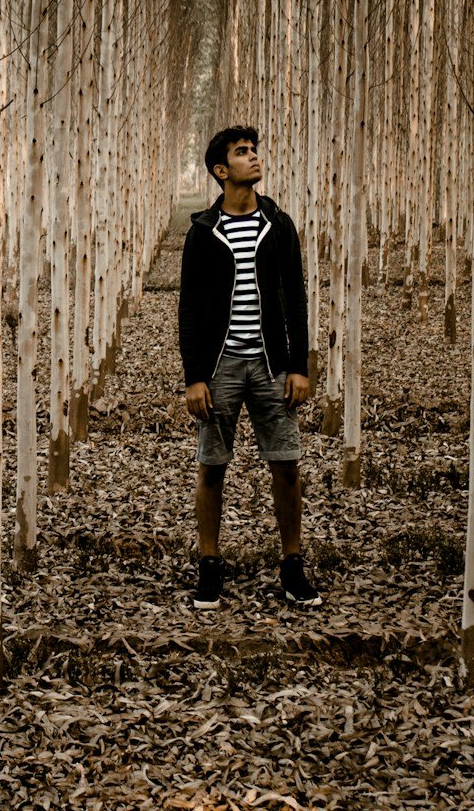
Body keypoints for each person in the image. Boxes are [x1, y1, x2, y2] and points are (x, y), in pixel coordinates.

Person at [178, 126, 320, 610]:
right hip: (219, 368)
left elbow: (295, 299)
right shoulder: (202, 233)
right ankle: (210, 568)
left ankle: (293, 567)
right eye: (242, 153)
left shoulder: (278, 226)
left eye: (254, 150)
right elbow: (190, 309)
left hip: (270, 365)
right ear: (221, 171)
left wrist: (298, 365)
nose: (254, 157)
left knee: (285, 463)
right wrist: (194, 376)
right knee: (212, 466)